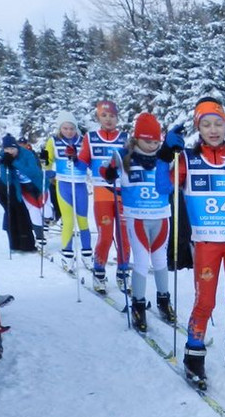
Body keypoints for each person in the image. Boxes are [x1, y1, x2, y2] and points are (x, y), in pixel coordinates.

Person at [161, 97, 225, 389]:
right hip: (205, 244)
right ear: (198, 127)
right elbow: (162, 187)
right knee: (205, 300)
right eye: (206, 124)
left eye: (218, 123)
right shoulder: (187, 160)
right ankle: (194, 355)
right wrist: (167, 154)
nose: (213, 129)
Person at [100, 112, 177, 333]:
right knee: (142, 261)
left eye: (156, 141)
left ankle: (164, 301)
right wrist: (110, 172)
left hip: (161, 216)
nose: (153, 145)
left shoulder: (164, 157)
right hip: (137, 217)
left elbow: (177, 177)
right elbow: (104, 171)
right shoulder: (122, 155)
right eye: (148, 141)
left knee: (161, 260)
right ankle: (139, 305)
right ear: (137, 138)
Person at [79, 100, 131, 294]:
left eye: (112, 116)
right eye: (104, 116)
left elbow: (132, 162)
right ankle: (99, 271)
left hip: (122, 192)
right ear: (98, 117)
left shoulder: (125, 137)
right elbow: (82, 162)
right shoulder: (91, 137)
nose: (109, 120)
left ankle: (123, 272)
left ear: (118, 117)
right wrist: (73, 158)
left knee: (124, 236)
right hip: (102, 191)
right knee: (106, 235)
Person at [43, 111, 92, 271]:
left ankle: (87, 255)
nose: (69, 131)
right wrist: (46, 166)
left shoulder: (83, 141)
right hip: (63, 184)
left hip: (80, 185)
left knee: (83, 221)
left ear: (76, 128)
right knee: (68, 222)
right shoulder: (53, 141)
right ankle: (68, 255)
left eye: (71, 128)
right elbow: (47, 162)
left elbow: (89, 160)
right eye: (65, 128)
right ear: (60, 128)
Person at [0, 133, 45, 252]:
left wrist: (14, 163)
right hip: (3, 188)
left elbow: (33, 172)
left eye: (12, 148)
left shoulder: (26, 154)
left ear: (17, 147)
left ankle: (26, 244)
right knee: (13, 212)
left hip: (24, 186)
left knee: (21, 212)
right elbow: (7, 180)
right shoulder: (4, 157)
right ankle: (16, 244)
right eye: (7, 149)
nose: (10, 152)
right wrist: (5, 165)